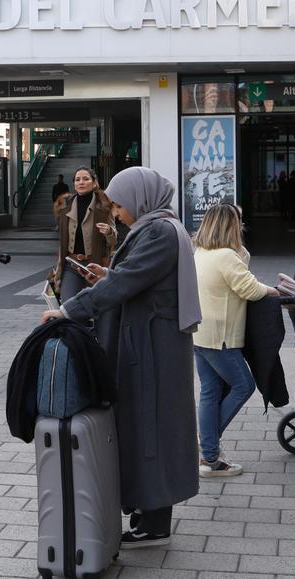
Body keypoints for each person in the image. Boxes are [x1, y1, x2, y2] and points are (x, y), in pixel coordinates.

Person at [40, 167, 201, 549]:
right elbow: (130, 277)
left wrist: (68, 310)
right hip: (150, 343)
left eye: (119, 203)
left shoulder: (158, 231)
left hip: (150, 348)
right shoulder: (158, 226)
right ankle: (149, 512)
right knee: (150, 425)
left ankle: (155, 522)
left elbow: (127, 282)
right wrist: (107, 273)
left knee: (150, 428)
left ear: (141, 197)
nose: (115, 211)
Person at [191, 204, 278, 478]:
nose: (241, 226)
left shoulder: (202, 253)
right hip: (222, 337)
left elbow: (242, 267)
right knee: (243, 385)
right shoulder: (226, 256)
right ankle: (209, 451)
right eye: (237, 221)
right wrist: (275, 291)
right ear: (231, 226)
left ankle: (208, 450)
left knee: (210, 390)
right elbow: (250, 289)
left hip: (200, 333)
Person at [52, 167, 117, 302]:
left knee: (95, 305)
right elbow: (62, 241)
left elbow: (113, 241)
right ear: (74, 184)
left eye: (86, 179)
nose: (81, 182)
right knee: (67, 303)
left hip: (96, 264)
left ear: (94, 183)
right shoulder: (65, 206)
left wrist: (109, 232)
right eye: (77, 179)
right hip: (72, 264)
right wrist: (59, 268)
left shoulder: (104, 206)